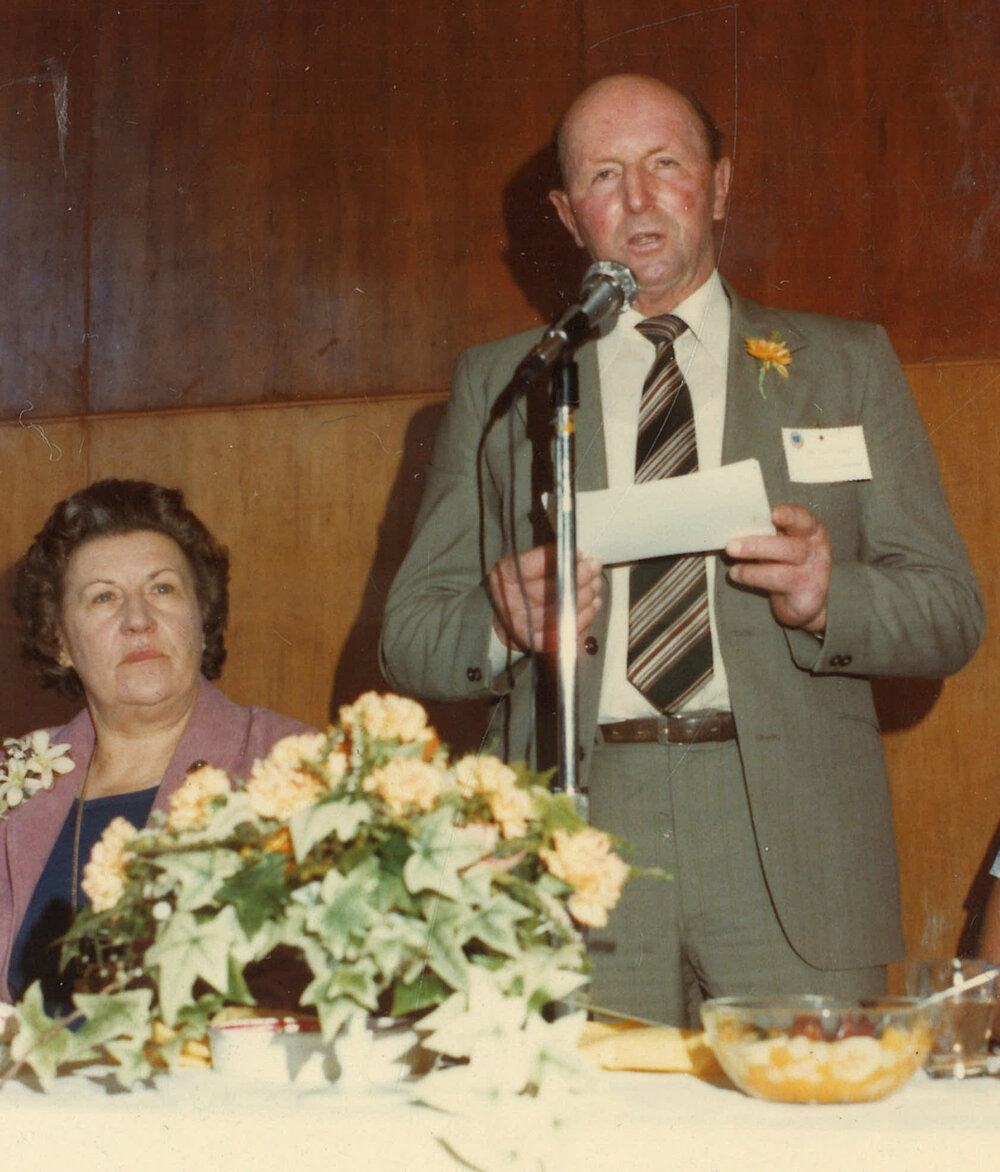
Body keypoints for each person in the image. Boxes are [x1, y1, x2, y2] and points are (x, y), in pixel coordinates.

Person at [379, 74, 985, 1026]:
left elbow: (951, 611)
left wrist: (834, 597)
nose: (640, 197)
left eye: (667, 164)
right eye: (605, 174)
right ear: (568, 214)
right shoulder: (506, 384)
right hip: (579, 842)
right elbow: (410, 638)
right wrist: (502, 622)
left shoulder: (844, 362)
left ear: (721, 183)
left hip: (794, 848)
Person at [0, 478, 313, 1008]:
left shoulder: (293, 762)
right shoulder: (16, 775)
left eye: (163, 589)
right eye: (104, 597)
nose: (139, 621)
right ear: (58, 640)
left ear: (202, 617)